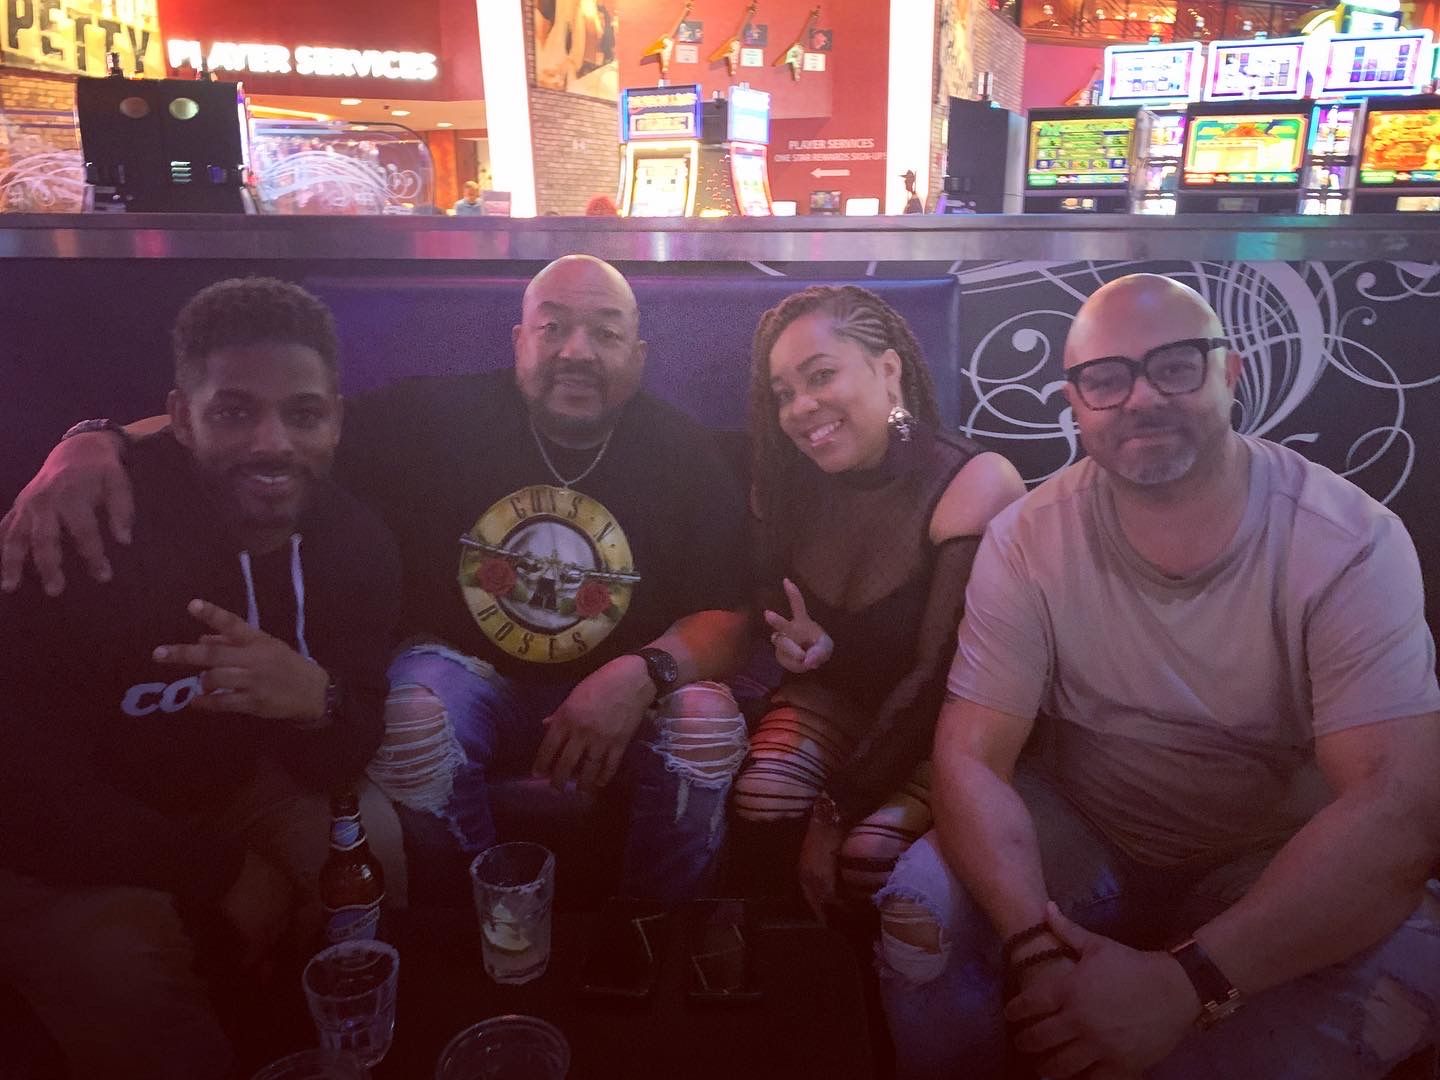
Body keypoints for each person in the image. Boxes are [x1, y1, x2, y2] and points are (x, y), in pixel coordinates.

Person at [1, 255, 752, 904]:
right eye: (553, 327)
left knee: (709, 725)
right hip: (469, 674)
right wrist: (94, 442)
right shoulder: (437, 417)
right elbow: (275, 429)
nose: (577, 351)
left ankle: (664, 921)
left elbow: (728, 614)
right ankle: (459, 915)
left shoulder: (683, 452)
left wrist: (640, 673)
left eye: (606, 333)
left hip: (627, 686)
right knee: (418, 717)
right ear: (519, 342)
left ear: (640, 355)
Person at [875, 274, 1440, 1079]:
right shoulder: (1026, 538)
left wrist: (1187, 984)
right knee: (918, 914)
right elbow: (970, 756)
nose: (1140, 399)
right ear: (1076, 404)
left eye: (1175, 366)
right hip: (1090, 835)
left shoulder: (1349, 542)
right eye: (1106, 379)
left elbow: (1395, 807)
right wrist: (1035, 949)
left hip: (1274, 862)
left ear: (1230, 373)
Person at [0, 278, 406, 1080]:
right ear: (181, 418)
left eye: (302, 414)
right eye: (234, 413)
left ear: (335, 420)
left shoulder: (353, 544)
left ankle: (321, 1042)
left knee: (373, 846)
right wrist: (220, 876)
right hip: (54, 840)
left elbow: (345, 747)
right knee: (124, 977)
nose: (272, 444)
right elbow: (24, 791)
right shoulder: (76, 527)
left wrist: (317, 701)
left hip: (231, 787)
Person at [731, 285, 1024, 915]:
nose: (801, 408)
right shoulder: (786, 481)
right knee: (764, 794)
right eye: (783, 393)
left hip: (949, 726)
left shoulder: (973, 481)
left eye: (821, 376)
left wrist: (836, 809)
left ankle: (878, 973)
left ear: (888, 371)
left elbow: (940, 677)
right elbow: (768, 603)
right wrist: (796, 645)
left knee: (870, 855)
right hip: (843, 704)